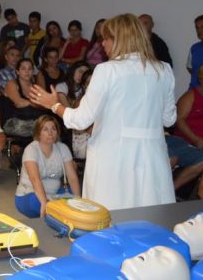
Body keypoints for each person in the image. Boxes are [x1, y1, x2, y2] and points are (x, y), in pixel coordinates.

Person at [30, 13, 177, 210]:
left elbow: (81, 120)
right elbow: (169, 119)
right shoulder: (164, 70)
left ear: (119, 39)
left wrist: (54, 105)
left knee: (112, 221)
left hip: (115, 158)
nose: (102, 44)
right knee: (149, 219)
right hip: (152, 159)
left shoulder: (107, 70)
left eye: (105, 39)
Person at [14, 115, 81, 218]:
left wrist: (78, 202)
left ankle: (55, 212)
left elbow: (72, 178)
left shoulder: (63, 148)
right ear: (38, 133)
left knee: (76, 195)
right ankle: (51, 210)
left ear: (57, 132)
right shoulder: (31, 149)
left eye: (53, 129)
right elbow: (35, 179)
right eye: (45, 129)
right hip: (30, 194)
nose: (50, 133)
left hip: (53, 195)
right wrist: (44, 202)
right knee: (37, 202)